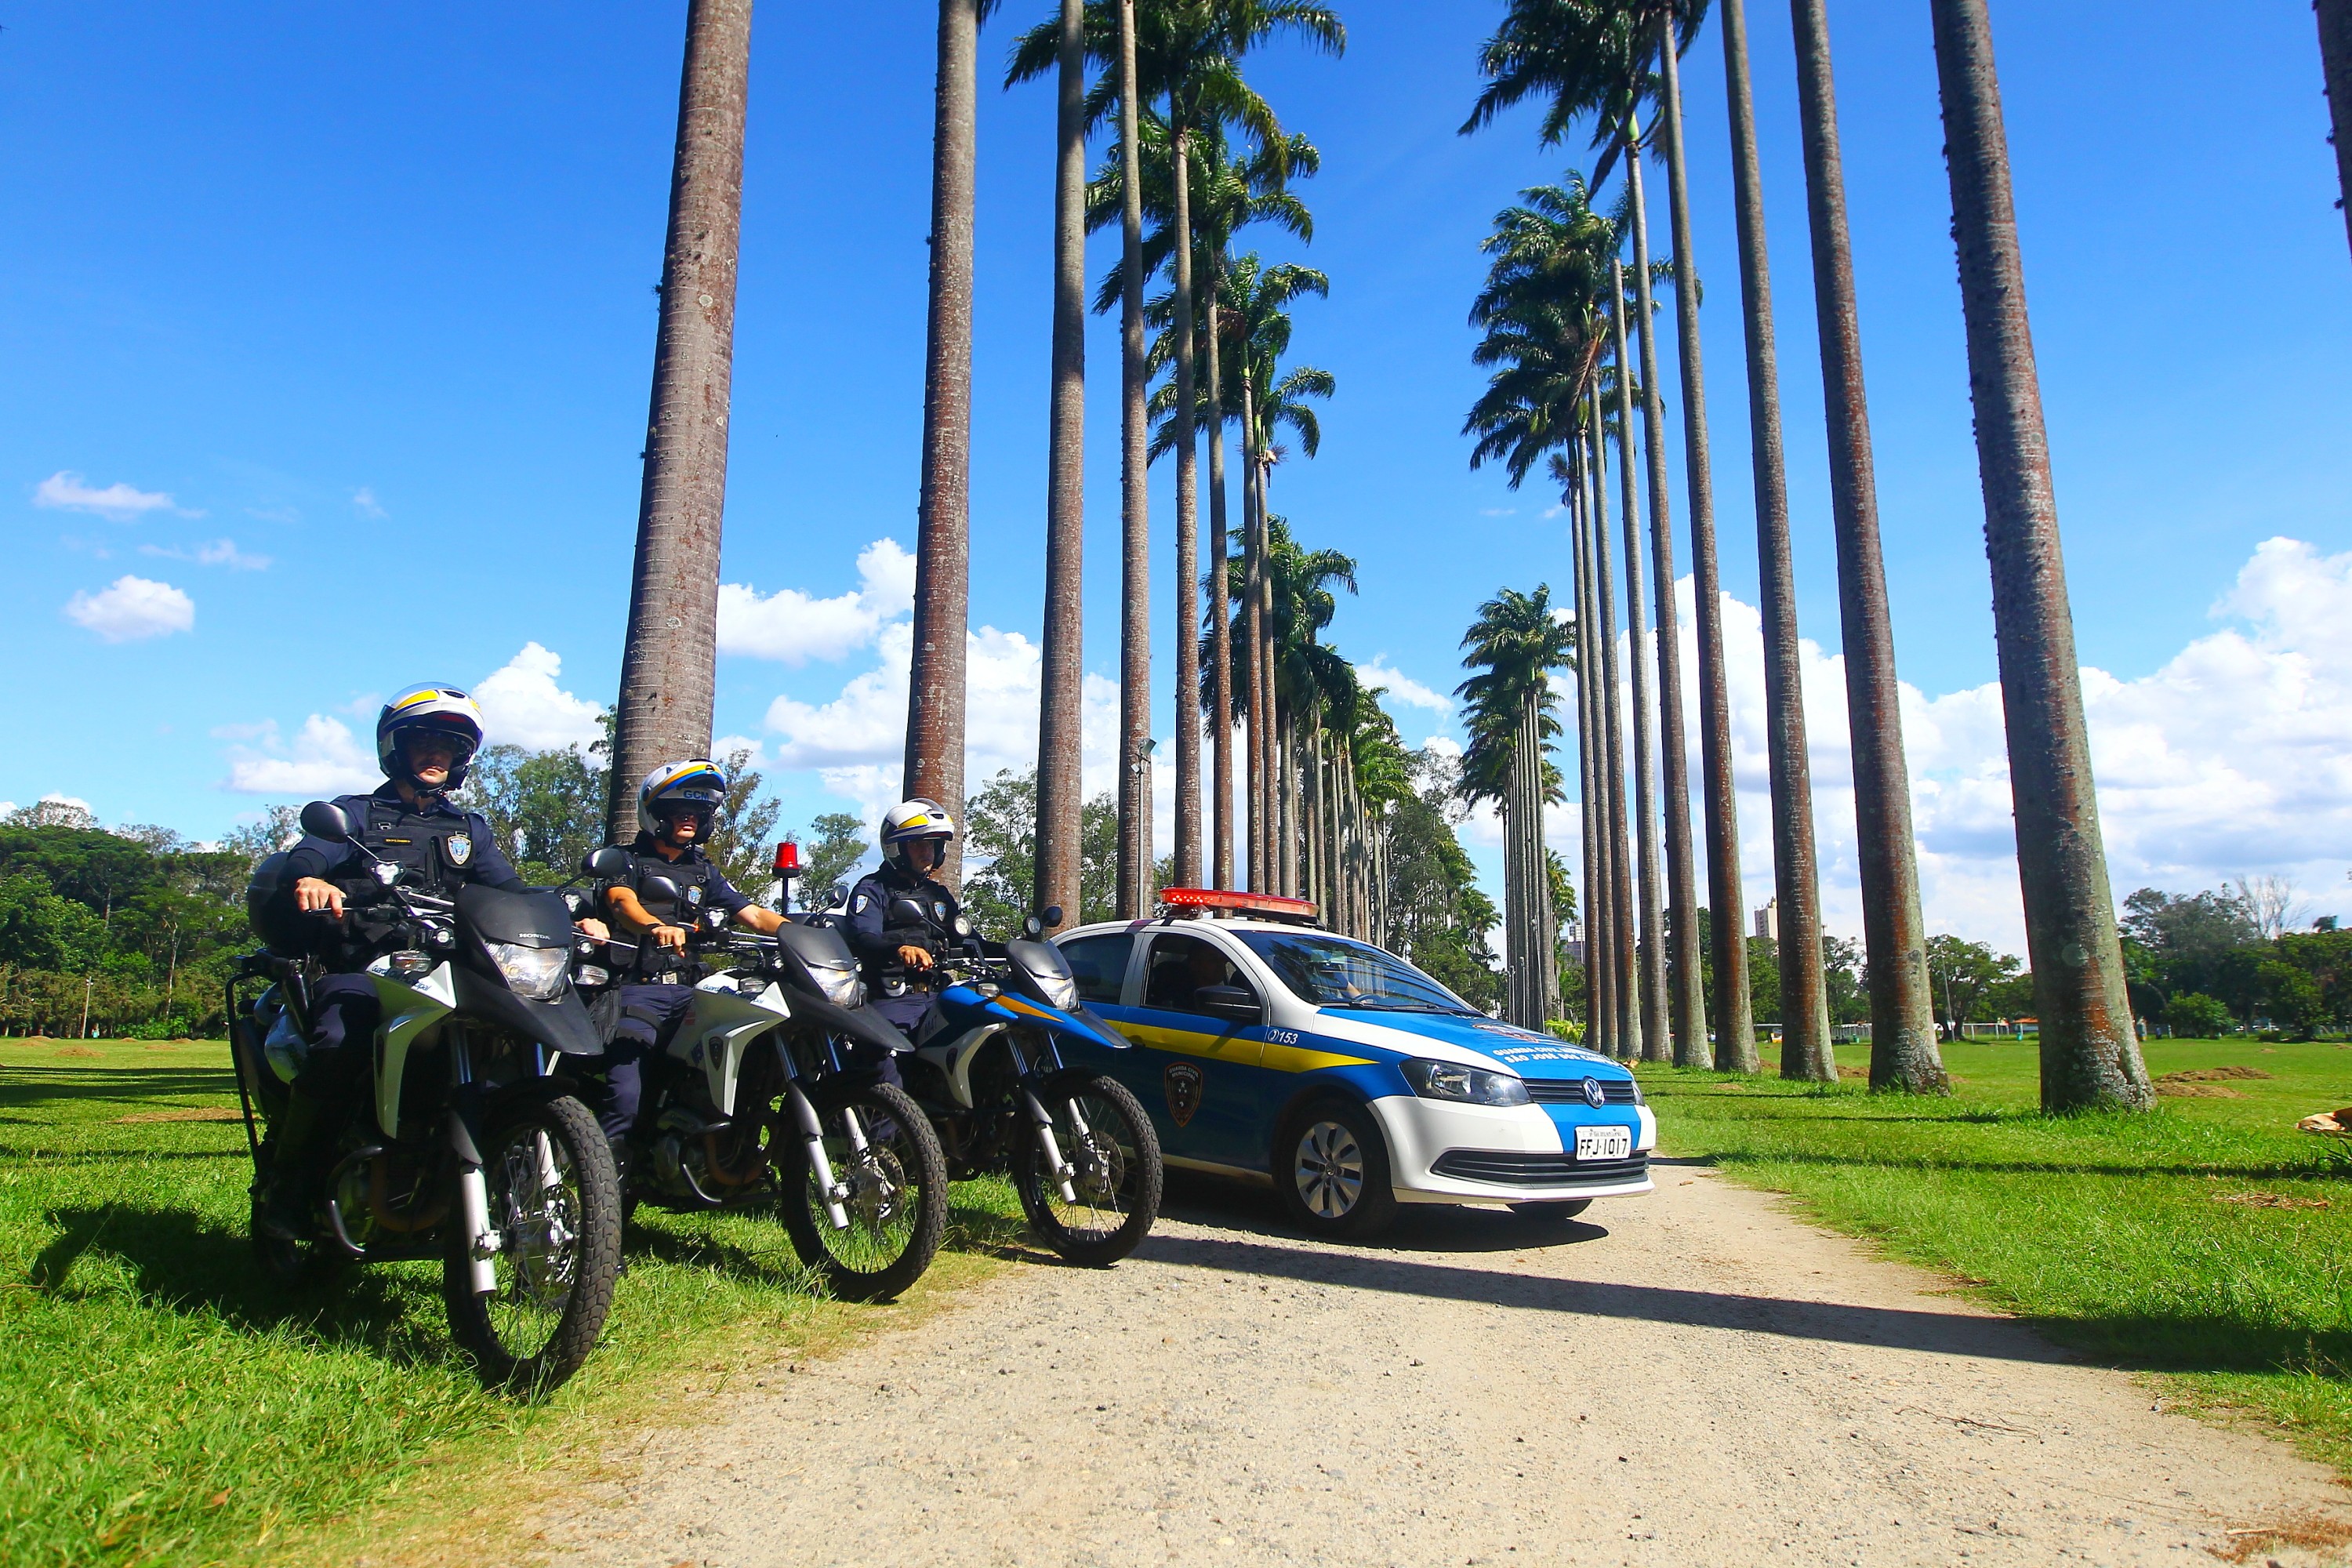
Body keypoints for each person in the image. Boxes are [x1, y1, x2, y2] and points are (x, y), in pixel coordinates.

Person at [264, 684, 607, 1237]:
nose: (436, 755)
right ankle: (292, 1185)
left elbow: (510, 891)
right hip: (364, 971)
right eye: (424, 741)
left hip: (447, 972)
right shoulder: (354, 816)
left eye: (448, 746)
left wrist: (572, 914)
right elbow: (310, 854)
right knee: (338, 1042)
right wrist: (309, 878)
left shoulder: (468, 830)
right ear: (395, 748)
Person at [593, 760, 786, 1166]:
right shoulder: (624, 861)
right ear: (656, 814)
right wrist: (654, 926)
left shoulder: (703, 870)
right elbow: (622, 904)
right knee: (625, 1095)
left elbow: (751, 914)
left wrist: (802, 933)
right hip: (635, 991)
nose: (689, 819)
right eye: (680, 811)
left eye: (697, 813)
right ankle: (605, 1179)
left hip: (690, 994)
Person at [844, 798, 965, 1040]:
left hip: (939, 994)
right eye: (918, 844)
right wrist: (900, 950)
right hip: (894, 997)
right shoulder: (873, 890)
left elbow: (968, 940)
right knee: (885, 1052)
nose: (927, 851)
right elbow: (864, 938)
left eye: (932, 844)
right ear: (895, 848)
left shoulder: (938, 895)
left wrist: (1016, 949)